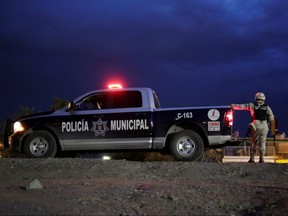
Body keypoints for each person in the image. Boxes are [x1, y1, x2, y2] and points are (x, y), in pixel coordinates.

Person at [231, 92, 274, 163]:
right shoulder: (267, 107)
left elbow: (242, 106)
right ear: (264, 99)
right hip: (264, 126)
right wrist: (267, 123)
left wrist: (232, 106)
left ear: (256, 98)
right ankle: (261, 158)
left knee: (253, 142)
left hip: (255, 125)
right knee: (262, 142)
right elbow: (272, 117)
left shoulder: (252, 105)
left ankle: (252, 158)